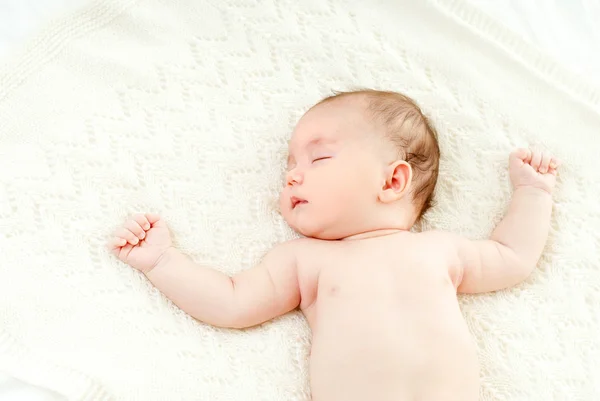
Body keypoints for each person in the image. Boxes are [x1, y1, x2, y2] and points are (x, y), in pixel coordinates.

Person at [109, 89, 560, 401]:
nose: (291, 175)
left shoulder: (440, 250)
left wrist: (533, 194)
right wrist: (163, 262)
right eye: (289, 166)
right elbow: (231, 303)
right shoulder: (306, 261)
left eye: (318, 157)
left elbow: (513, 256)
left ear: (393, 180)